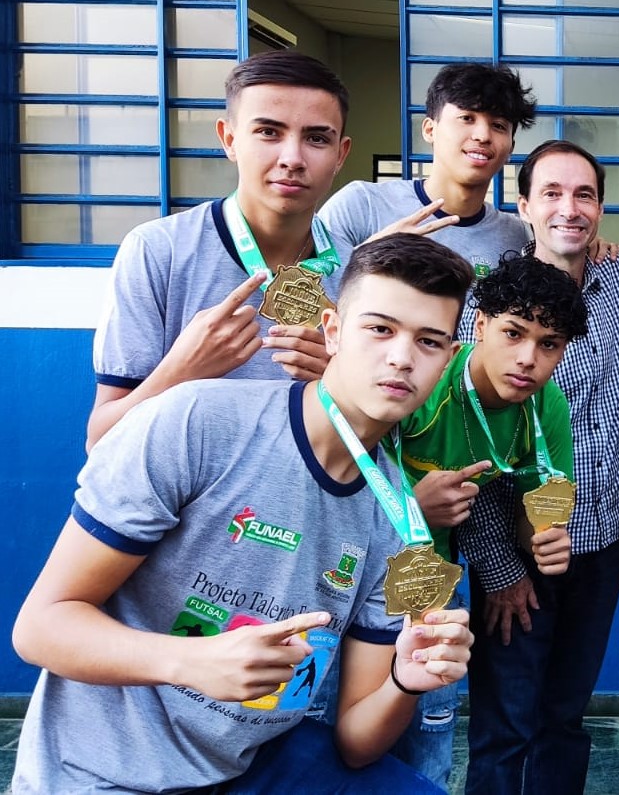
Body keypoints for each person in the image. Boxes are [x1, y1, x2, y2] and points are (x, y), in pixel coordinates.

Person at [11, 234, 477, 792]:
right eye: (379, 329)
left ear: (448, 360)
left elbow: (356, 745)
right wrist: (191, 661)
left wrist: (405, 679)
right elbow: (39, 627)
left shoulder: (400, 522)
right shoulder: (195, 423)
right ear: (332, 332)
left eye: (428, 341)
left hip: (248, 764)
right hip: (102, 773)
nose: (402, 357)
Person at [461, 140, 619, 794]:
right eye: (553, 193)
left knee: (566, 715)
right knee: (507, 722)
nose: (570, 207)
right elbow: (465, 447)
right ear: (523, 204)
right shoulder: (490, 305)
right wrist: (500, 568)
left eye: (585, 194)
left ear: (601, 208)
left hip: (602, 540)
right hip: (517, 551)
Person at [87, 50, 356, 448]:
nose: (292, 158)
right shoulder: (158, 252)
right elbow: (100, 441)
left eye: (317, 138)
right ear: (229, 139)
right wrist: (182, 371)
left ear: (341, 155)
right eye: (268, 132)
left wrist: (340, 385)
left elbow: (379, 441)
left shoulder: (358, 273)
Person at [386, 254, 585, 785]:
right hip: (362, 564)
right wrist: (416, 506)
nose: (528, 359)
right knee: (340, 709)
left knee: (430, 721)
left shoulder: (549, 408)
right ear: (479, 325)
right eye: (513, 334)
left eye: (549, 345)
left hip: (432, 575)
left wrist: (545, 538)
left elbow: (538, 517)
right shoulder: (424, 379)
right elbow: (340, 476)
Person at [319, 62, 537, 341]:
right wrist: (368, 258)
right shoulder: (362, 205)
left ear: (511, 148)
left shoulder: (517, 235)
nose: (483, 135)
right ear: (429, 130)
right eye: (467, 118)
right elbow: (305, 299)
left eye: (498, 125)